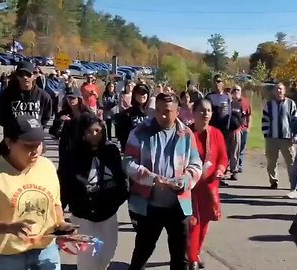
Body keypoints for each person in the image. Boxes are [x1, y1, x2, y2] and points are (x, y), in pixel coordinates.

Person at [0, 115, 76, 270]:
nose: (35, 151)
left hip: (45, 253)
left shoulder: (47, 166)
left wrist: (62, 225)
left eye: (39, 144)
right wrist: (8, 227)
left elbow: (55, 204)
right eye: (28, 145)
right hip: (4, 258)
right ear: (9, 142)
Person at [123, 92, 202, 270]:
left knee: (179, 257)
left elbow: (196, 164)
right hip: (149, 205)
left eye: (167, 111)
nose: (161, 115)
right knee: (141, 253)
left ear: (177, 111)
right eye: (158, 110)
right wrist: (152, 179)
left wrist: (185, 180)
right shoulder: (140, 132)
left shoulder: (186, 134)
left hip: (178, 206)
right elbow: (128, 163)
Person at [59, 112, 129, 270]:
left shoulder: (111, 151)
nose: (94, 135)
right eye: (89, 131)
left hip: (108, 214)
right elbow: (63, 186)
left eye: (98, 131)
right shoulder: (71, 156)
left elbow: (121, 179)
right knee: (88, 260)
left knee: (106, 254)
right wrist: (58, 214)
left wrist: (119, 197)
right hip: (84, 217)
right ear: (81, 132)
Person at [187, 99, 227, 270]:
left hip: (209, 186)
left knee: (204, 222)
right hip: (190, 187)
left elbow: (223, 158)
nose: (206, 114)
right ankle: (191, 258)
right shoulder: (186, 133)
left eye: (209, 111)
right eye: (202, 110)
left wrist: (220, 169)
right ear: (193, 112)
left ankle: (195, 252)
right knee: (193, 222)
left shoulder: (216, 133)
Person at [0, 61, 52, 156]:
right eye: (21, 74)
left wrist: (34, 130)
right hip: (13, 143)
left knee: (33, 170)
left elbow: (45, 118)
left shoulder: (43, 96)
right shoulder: (6, 95)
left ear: (34, 75)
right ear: (17, 76)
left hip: (34, 144)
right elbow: (1, 117)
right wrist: (17, 129)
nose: (25, 77)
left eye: (28, 74)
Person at [261, 82, 297, 189]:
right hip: (272, 138)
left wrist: (294, 135)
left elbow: (295, 121)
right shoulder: (268, 104)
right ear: (274, 91)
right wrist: (266, 135)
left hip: (287, 138)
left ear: (284, 91)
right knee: (271, 161)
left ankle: (293, 182)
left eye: (281, 89)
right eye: (277, 89)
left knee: (291, 162)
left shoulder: (291, 103)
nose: (278, 91)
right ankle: (273, 181)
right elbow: (265, 120)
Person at [115, 83, 150, 148]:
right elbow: (122, 135)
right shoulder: (127, 114)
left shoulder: (152, 113)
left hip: (148, 150)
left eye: (144, 93)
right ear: (134, 95)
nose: (142, 95)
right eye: (139, 93)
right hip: (132, 149)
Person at [236, 86, 252, 173]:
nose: (236, 91)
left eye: (238, 90)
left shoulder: (245, 102)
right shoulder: (230, 101)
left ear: (241, 91)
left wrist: (248, 127)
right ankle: (231, 166)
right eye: (234, 89)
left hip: (243, 129)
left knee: (241, 148)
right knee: (232, 149)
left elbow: (249, 115)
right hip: (233, 130)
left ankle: (240, 165)